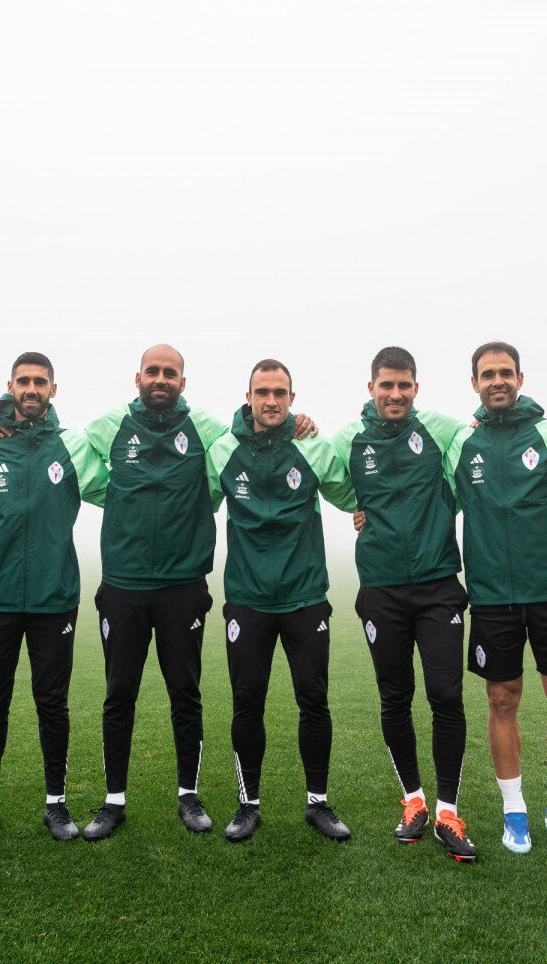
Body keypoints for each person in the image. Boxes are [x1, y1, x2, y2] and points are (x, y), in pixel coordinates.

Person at [76, 344, 315, 841]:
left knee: (185, 693)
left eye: (171, 373)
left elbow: (248, 436)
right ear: (137, 377)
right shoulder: (108, 426)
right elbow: (69, 462)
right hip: (123, 583)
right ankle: (113, 801)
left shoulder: (205, 428)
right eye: (153, 371)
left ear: (183, 382)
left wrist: (296, 421)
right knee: (119, 695)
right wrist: (7, 427)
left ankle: (189, 794)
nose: (161, 379)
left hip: (183, 584)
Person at [446, 342, 547, 856]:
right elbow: (427, 499)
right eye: (487, 374)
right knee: (501, 699)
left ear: (520, 377)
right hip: (491, 595)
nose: (498, 381)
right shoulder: (460, 445)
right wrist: (362, 512)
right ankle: (516, 813)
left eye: (505, 373)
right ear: (474, 383)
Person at [0, 353, 108, 844]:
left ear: (53, 390)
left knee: (51, 702)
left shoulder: (73, 446)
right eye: (24, 381)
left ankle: (56, 805)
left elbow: (115, 491)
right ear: (11, 387)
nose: (32, 388)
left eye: (41, 382)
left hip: (53, 595)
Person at [331, 346, 477, 862]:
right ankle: (413, 802)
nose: (395, 394)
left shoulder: (440, 429)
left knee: (446, 695)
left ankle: (447, 811)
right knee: (395, 697)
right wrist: (357, 506)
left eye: (405, 385)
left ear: (417, 387)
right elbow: (328, 477)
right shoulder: (349, 438)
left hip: (439, 585)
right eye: (386, 385)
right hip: (382, 590)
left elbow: (484, 450)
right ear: (371, 387)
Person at [205, 359, 357, 843]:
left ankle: (318, 803)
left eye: (281, 392)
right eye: (262, 391)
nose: (271, 400)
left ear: (293, 398)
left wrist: (367, 512)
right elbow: (195, 500)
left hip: (304, 597)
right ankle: (248, 805)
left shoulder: (310, 444)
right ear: (247, 397)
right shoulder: (224, 450)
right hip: (247, 599)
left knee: (313, 701)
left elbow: (353, 491)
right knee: (247, 703)